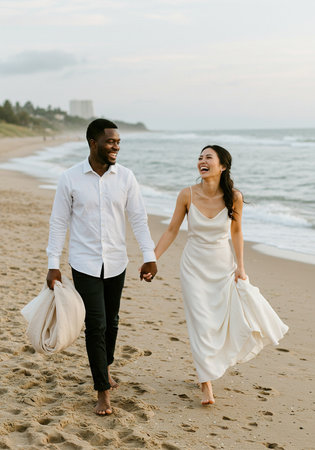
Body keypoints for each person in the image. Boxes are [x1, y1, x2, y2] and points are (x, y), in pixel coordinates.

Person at [149, 145, 288, 405]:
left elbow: (237, 232)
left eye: (208, 158)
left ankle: (210, 365)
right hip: (193, 267)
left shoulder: (233, 196)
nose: (202, 161)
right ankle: (206, 384)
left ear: (222, 166)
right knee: (200, 323)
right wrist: (152, 259)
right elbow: (171, 230)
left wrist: (241, 267)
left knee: (219, 321)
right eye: (200, 158)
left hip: (222, 266)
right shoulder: (186, 195)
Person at [46, 118, 157, 415]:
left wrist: (150, 255)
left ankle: (103, 368)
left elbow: (138, 218)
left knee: (112, 322)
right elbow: (58, 223)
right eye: (111, 141)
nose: (116, 147)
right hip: (84, 263)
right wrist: (52, 264)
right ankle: (102, 391)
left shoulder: (126, 177)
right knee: (95, 325)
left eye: (118, 142)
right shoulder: (70, 178)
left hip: (117, 262)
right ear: (93, 143)